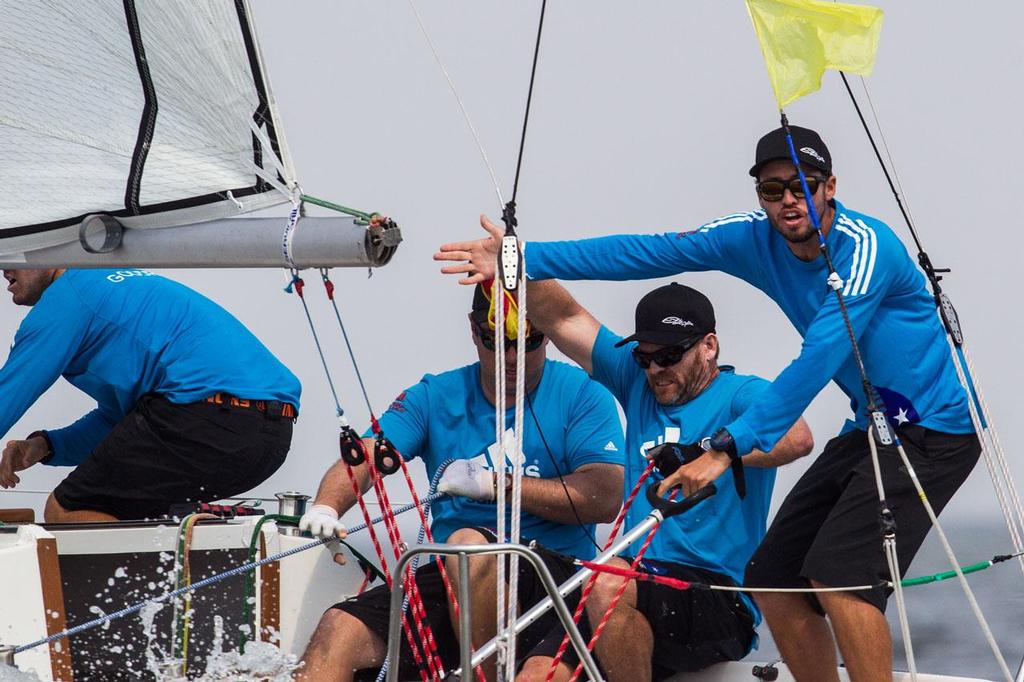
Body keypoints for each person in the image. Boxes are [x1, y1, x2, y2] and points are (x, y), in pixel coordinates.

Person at [434, 125, 980, 681]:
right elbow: (653, 251)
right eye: (773, 190)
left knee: (838, 579)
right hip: (869, 426)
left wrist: (723, 450)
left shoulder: (868, 248)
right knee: (772, 577)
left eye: (803, 185)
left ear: (830, 187)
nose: (789, 200)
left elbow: (818, 359)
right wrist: (520, 257)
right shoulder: (749, 240)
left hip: (937, 431)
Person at [482, 279, 810, 681]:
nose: (656, 369)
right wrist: (511, 262)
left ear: (709, 346)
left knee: (607, 581)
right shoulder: (638, 383)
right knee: (535, 673)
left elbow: (797, 438)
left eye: (670, 355)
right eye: (645, 357)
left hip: (718, 597)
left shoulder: (742, 394)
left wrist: (710, 452)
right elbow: (563, 316)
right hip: (631, 585)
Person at [296, 281, 625, 682]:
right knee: (337, 630)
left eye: (528, 342)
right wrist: (327, 506)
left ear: (548, 336)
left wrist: (495, 484)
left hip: (548, 575)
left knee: (467, 545)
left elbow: (605, 496)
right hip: (452, 578)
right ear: (473, 330)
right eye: (494, 340)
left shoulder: (583, 393)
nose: (510, 357)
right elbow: (366, 456)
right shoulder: (436, 394)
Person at [0, 268, 299, 522]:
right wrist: (46, 446)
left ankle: (147, 588)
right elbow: (126, 423)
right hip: (269, 438)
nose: (4, 266)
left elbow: (9, 393)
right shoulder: (109, 286)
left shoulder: (66, 298)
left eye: (13, 253)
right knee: (133, 510)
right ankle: (189, 556)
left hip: (204, 417)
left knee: (68, 509)